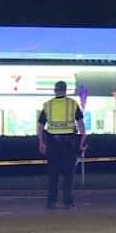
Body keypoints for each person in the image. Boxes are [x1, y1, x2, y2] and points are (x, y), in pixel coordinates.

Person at [37, 81, 86, 209]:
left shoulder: (48, 105)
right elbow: (81, 124)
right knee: (68, 174)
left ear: (55, 90)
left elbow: (40, 126)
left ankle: (51, 202)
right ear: (65, 90)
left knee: (53, 174)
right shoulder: (72, 104)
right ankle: (67, 202)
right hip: (69, 143)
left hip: (53, 143)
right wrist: (82, 141)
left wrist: (41, 142)